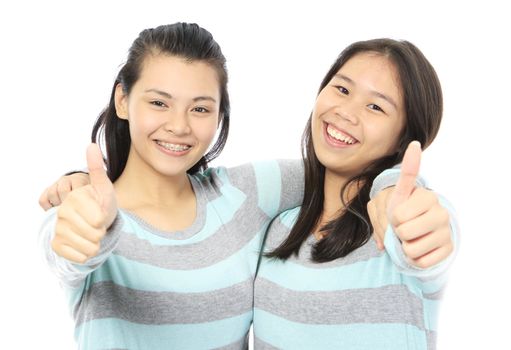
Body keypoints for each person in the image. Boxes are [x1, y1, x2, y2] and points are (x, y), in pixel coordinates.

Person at [38, 25, 452, 349]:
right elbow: (65, 248)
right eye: (159, 102)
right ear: (123, 100)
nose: (178, 126)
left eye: (200, 108)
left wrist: (392, 185)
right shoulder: (85, 212)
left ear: (220, 115)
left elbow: (387, 202)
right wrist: (74, 218)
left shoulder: (243, 195)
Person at [253, 38, 458, 350]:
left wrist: (418, 226)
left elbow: (429, 230)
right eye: (342, 89)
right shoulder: (278, 227)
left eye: (375, 106)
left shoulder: (393, 235)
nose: (346, 112)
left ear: (403, 139)